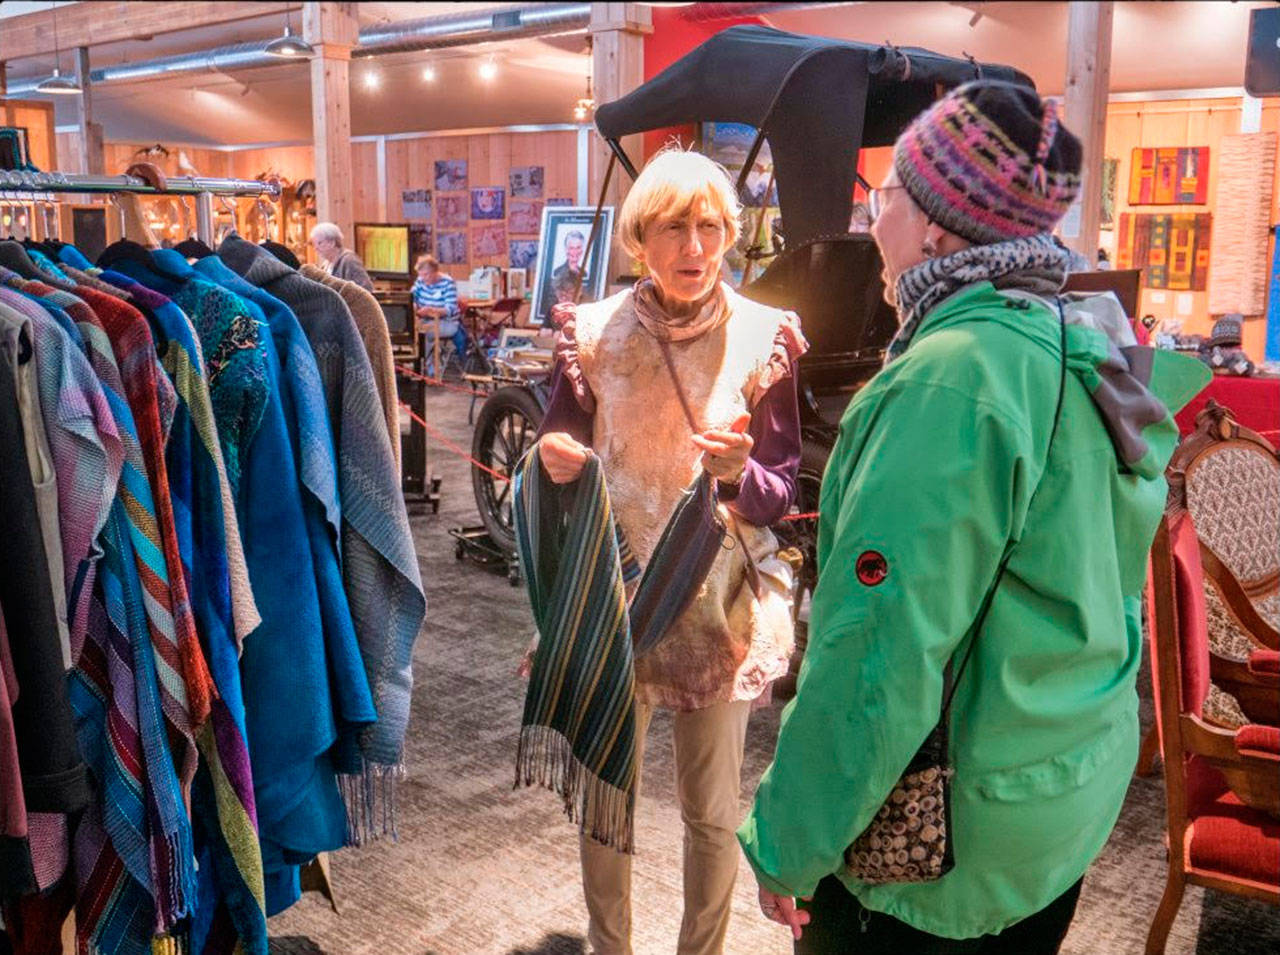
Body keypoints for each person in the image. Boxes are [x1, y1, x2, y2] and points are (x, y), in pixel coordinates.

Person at [737, 81, 1207, 953]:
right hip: (1059, 805)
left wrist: (786, 844)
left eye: (886, 201)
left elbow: (876, 659)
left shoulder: (945, 383)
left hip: (944, 854)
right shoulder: (1081, 345)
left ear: (938, 228)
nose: (873, 225)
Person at [536, 147, 808, 955]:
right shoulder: (593, 334)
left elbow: (782, 489)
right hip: (609, 603)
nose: (696, 247)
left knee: (713, 812)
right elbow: (561, 440)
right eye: (674, 228)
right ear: (640, 240)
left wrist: (737, 474)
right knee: (605, 802)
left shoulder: (766, 336)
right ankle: (609, 946)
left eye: (712, 227)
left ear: (731, 235)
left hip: (717, 606)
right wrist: (552, 455)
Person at [411, 254, 466, 371]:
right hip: (426, 320)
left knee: (423, 334)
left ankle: (429, 369)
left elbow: (450, 309)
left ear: (435, 271)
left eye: (426, 275)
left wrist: (431, 310)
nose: (423, 278)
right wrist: (414, 305)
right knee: (416, 332)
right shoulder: (420, 281)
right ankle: (422, 367)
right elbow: (412, 297)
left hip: (447, 322)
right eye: (421, 275)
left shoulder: (447, 283)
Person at [310, 221, 374, 292]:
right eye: (314, 244)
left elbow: (365, 289)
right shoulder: (325, 265)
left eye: (319, 243)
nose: (315, 248)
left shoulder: (349, 260)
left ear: (332, 243)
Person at [540, 229, 589, 318]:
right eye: (571, 248)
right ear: (566, 249)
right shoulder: (556, 272)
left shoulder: (585, 273)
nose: (575, 252)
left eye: (578, 248)